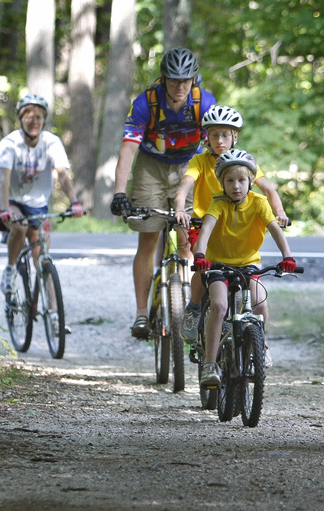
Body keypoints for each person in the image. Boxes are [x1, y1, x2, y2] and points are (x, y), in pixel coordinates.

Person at [109, 47, 217, 340]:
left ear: (194, 78)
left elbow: (216, 148)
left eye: (186, 80)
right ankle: (142, 314)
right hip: (151, 167)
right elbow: (128, 148)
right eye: (173, 80)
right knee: (148, 238)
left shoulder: (203, 102)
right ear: (163, 79)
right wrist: (120, 192)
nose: (180, 87)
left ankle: (186, 307)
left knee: (188, 240)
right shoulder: (146, 103)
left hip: (187, 167)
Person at [174, 105, 289, 352]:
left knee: (254, 295)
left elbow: (268, 189)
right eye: (214, 135)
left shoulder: (243, 162)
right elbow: (185, 185)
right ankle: (194, 308)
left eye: (225, 135)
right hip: (205, 222)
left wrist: (279, 212)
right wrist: (180, 209)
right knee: (200, 265)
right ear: (207, 137)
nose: (219, 140)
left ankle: (255, 343)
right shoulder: (200, 161)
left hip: (233, 223)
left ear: (234, 136)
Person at [191, 149, 296, 387]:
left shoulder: (259, 202)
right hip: (218, 263)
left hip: (249, 263)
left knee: (260, 303)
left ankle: (261, 345)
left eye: (241, 180)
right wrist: (199, 254)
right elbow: (206, 229)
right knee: (219, 305)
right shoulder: (218, 202)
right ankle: (210, 364)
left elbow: (274, 229)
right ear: (222, 183)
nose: (236, 186)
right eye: (230, 181)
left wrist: (287, 256)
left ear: (251, 181)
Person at [0, 93, 85, 297]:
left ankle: (53, 318)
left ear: (44, 120)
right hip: (9, 198)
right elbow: (4, 178)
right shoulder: (10, 142)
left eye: (39, 117)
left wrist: (74, 202)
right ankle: (10, 270)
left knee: (42, 255)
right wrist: (5, 210)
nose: (34, 122)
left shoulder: (52, 142)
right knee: (20, 227)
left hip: (36, 201)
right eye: (29, 117)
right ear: (21, 119)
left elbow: (63, 175)